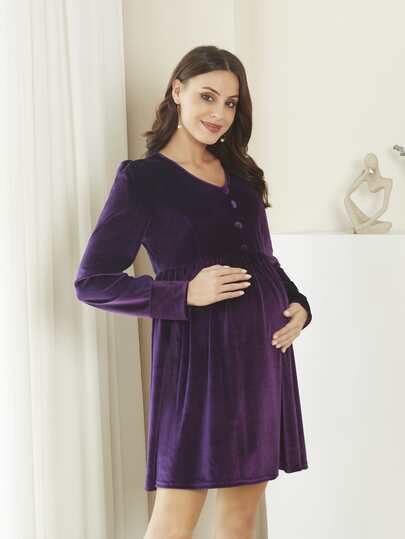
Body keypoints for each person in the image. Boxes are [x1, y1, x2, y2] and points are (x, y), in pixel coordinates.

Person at [74, 45, 312, 539]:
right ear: (177, 91)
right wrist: (183, 293)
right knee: (175, 517)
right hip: (195, 361)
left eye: (231, 103)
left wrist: (299, 306)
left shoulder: (242, 175)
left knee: (241, 517)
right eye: (208, 96)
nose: (219, 113)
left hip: (261, 358)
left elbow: (264, 259)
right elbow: (93, 281)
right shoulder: (142, 180)